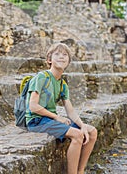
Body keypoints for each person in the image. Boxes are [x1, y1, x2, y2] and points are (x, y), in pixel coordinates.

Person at [26, 43, 97, 174]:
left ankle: (80, 171)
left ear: (68, 62)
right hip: (37, 120)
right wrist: (57, 117)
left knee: (91, 132)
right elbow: (33, 106)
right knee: (77, 135)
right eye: (57, 54)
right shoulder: (41, 77)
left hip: (49, 120)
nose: (61, 57)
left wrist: (82, 125)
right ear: (49, 60)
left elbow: (70, 110)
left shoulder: (62, 84)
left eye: (65, 55)